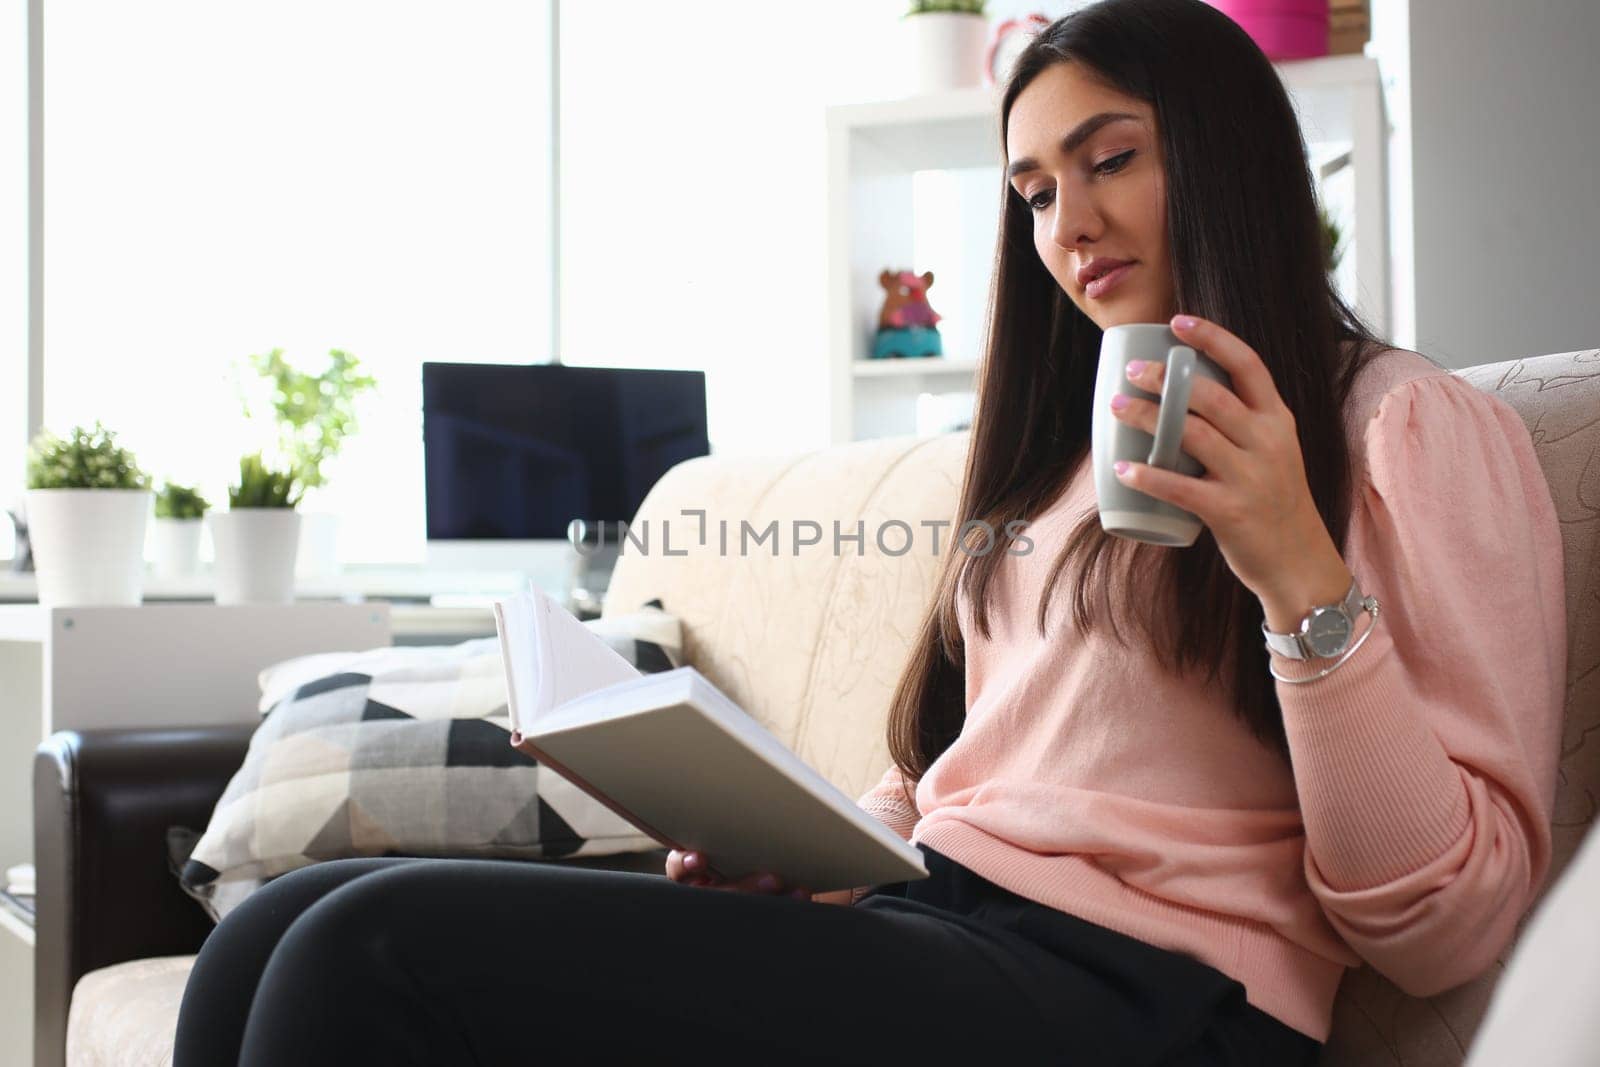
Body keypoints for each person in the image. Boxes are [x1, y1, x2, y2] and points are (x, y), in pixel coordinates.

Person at [172, 1, 1566, 1063]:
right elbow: (985, 771)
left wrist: (1295, 580)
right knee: (269, 937)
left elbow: (1451, 923)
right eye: (1029, 191)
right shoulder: (1061, 458)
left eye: (1110, 160)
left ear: (1227, 157)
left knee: (362, 947)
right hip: (940, 924)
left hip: (1150, 998)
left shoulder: (1402, 427)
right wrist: (820, 846)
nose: (1067, 224)